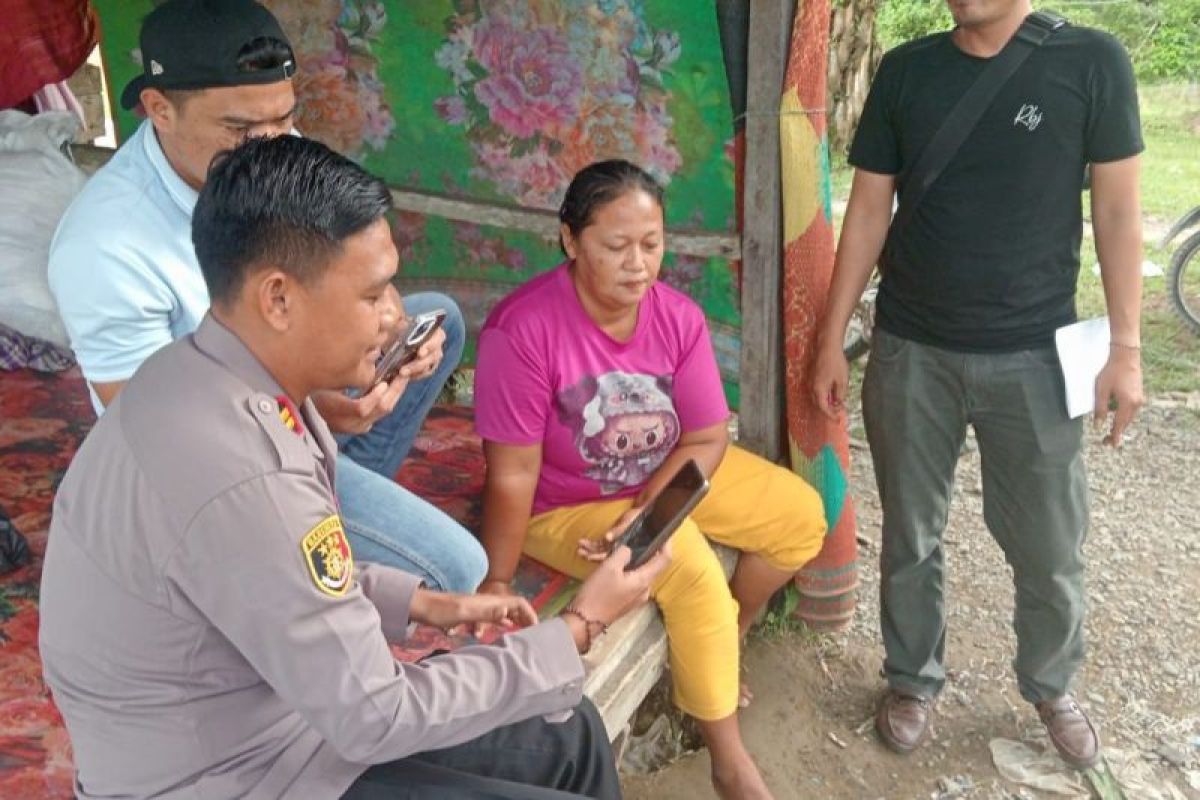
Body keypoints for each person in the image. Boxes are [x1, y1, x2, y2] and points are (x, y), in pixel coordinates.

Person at [39, 134, 671, 799]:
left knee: (563, 731)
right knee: (543, 705)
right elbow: (376, 715)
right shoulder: (243, 473)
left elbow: (273, 576)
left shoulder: (210, 376)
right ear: (277, 298)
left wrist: (425, 603)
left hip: (275, 722)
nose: (396, 313)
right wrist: (579, 626)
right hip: (229, 778)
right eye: (373, 294)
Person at [47, 0, 487, 593]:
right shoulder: (103, 245)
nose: (269, 145)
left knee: (440, 322)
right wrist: (308, 406)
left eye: (282, 120)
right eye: (240, 130)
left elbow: (338, 266)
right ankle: (294, 551)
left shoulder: (265, 143)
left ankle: (327, 500)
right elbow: (154, 427)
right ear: (159, 109)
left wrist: (379, 331)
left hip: (292, 406)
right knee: (456, 570)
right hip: (210, 473)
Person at [811, 0, 1144, 770]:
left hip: (1034, 354)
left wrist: (1126, 346)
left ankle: (1051, 684)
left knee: (1050, 542)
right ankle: (911, 679)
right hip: (910, 349)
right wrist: (831, 340)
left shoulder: (1093, 63)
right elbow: (866, 210)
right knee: (910, 533)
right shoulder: (907, 72)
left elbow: (1120, 210)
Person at [473, 159, 828, 800]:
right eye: (616, 246)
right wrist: (497, 578)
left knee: (799, 514)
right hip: (566, 503)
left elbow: (706, 436)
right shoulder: (522, 330)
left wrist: (650, 506)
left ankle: (730, 635)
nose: (638, 264)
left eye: (651, 244)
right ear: (570, 240)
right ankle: (728, 760)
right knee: (683, 562)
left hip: (658, 473)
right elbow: (513, 473)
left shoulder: (676, 317)